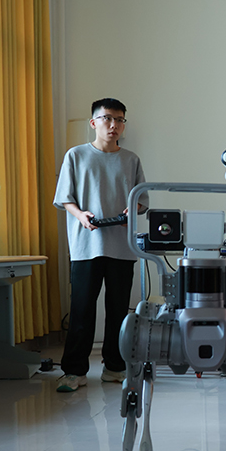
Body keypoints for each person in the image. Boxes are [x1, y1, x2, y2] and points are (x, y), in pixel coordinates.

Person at [53, 98, 147, 392]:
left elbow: (142, 200)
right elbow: (65, 198)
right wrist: (80, 215)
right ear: (93, 123)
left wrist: (133, 211)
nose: (113, 125)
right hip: (86, 246)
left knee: (119, 310)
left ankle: (114, 367)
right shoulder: (76, 155)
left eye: (119, 120)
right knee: (81, 309)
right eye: (107, 118)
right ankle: (74, 372)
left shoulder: (131, 160)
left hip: (121, 246)